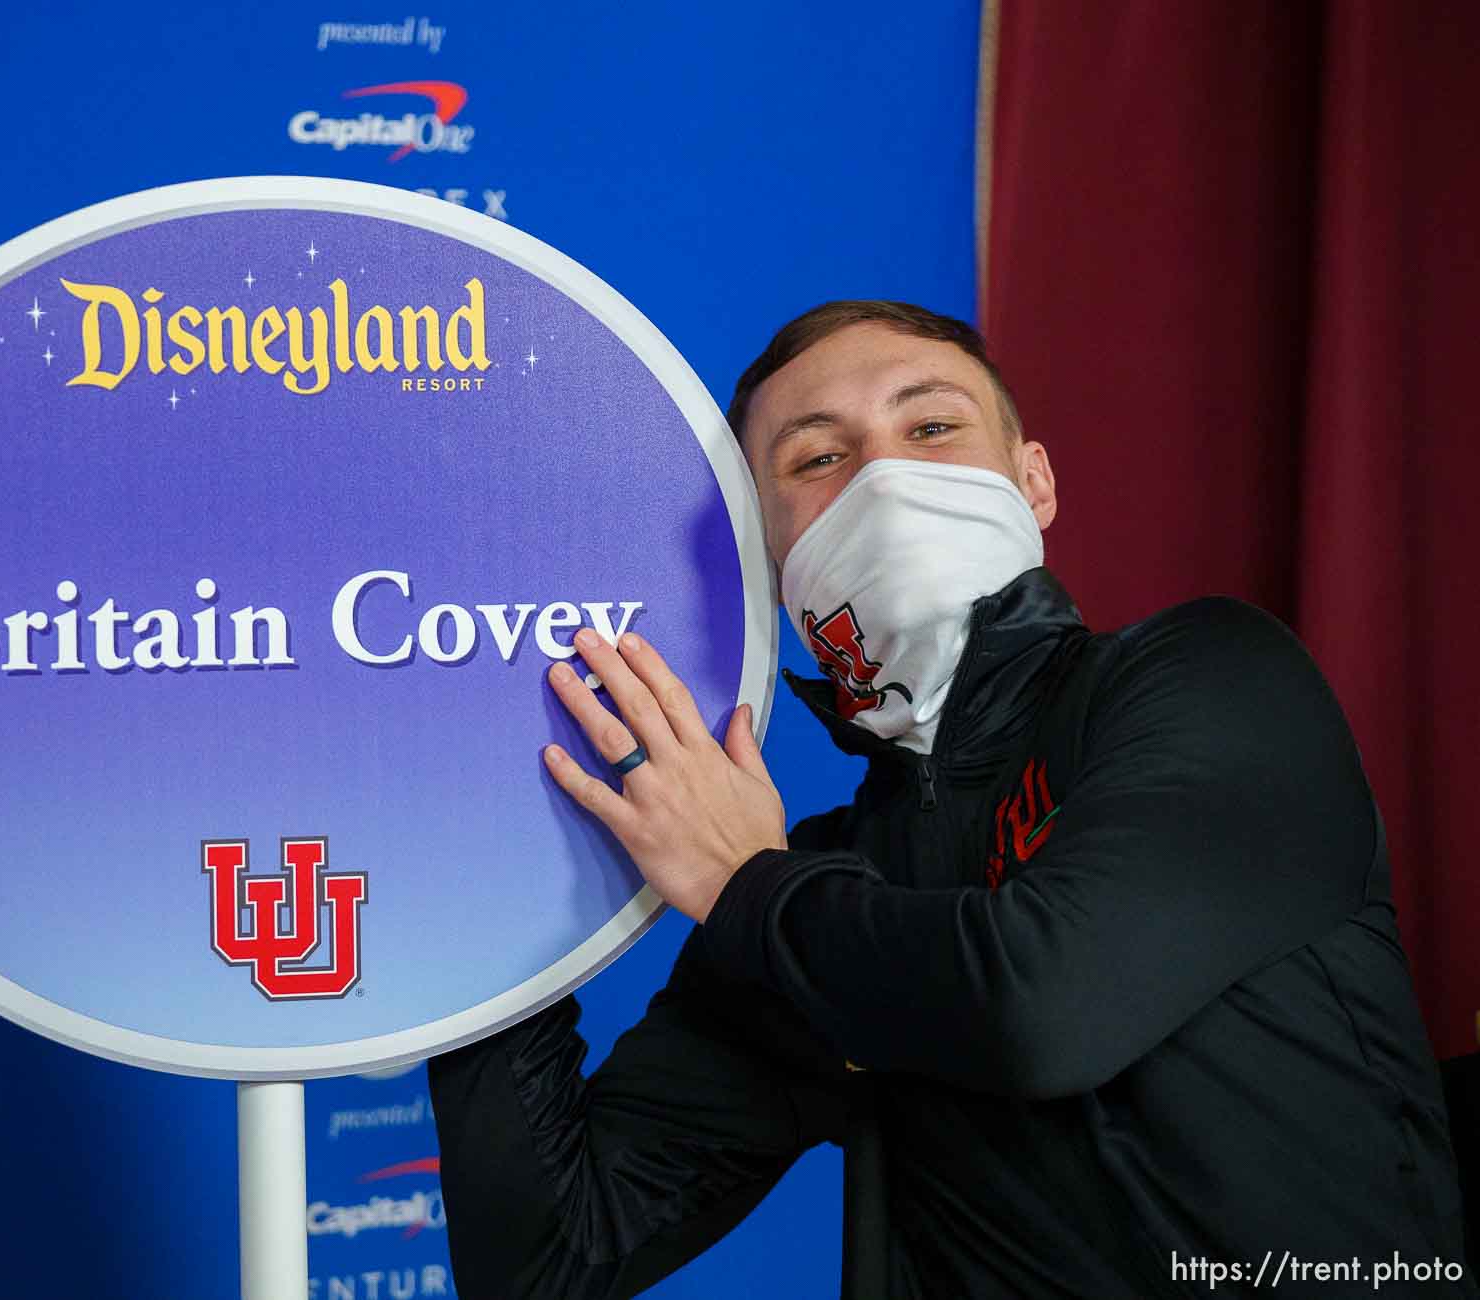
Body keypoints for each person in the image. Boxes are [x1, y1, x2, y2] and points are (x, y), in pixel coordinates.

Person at [426, 301, 1473, 1298]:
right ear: (764, 561)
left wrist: (745, 884)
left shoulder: (1207, 679)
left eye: (932, 425)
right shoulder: (818, 885)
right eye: (818, 458)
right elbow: (550, 1254)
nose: (885, 476)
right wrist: (495, 841)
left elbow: (1045, 1009)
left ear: (1034, 482)